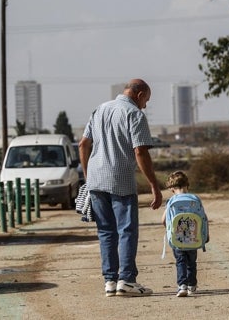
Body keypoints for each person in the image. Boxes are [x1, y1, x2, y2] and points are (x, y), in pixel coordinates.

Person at [78, 78, 163, 297]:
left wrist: (89, 177)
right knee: (126, 230)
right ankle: (126, 280)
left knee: (106, 232)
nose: (145, 105)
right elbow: (140, 152)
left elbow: (83, 144)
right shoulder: (134, 114)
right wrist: (154, 185)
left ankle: (110, 281)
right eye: (146, 101)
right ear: (140, 94)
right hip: (121, 179)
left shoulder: (100, 110)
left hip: (96, 180)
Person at [162, 171, 208, 297]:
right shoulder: (195, 199)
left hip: (177, 239)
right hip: (194, 237)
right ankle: (192, 285)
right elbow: (203, 217)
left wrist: (169, 230)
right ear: (188, 185)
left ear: (171, 188)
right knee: (192, 262)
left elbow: (163, 219)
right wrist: (205, 235)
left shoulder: (171, 201)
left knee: (180, 261)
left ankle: (182, 286)